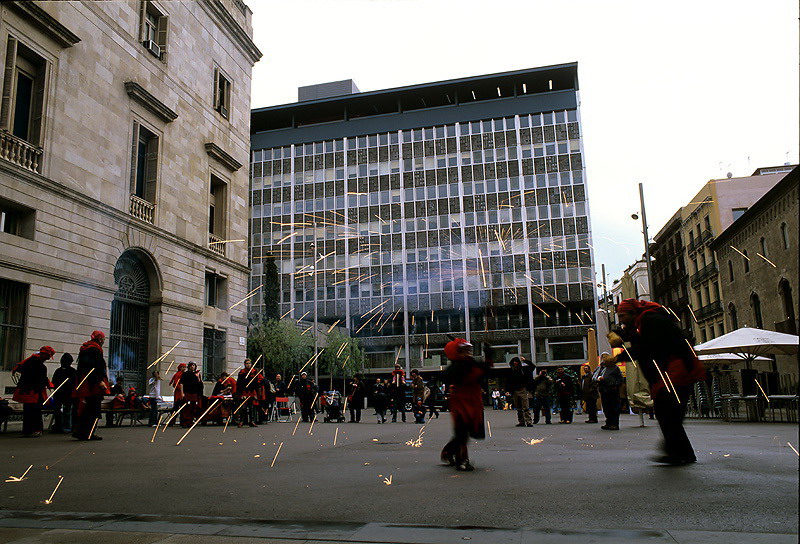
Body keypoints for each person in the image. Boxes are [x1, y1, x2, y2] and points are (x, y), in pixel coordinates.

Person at [615, 298, 706, 465]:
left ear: (633, 313)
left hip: (675, 370)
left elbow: (645, 348)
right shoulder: (646, 321)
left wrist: (618, 356)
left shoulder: (651, 321)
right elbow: (640, 340)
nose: (621, 319)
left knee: (667, 411)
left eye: (622, 315)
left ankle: (678, 452)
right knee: (670, 413)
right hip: (673, 370)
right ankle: (682, 452)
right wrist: (622, 336)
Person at [440, 339, 492, 472]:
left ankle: (449, 452)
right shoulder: (456, 367)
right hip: (460, 401)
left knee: (468, 430)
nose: (468, 353)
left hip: (473, 400)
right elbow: (451, 376)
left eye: (468, 350)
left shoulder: (470, 363)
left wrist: (489, 356)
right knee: (462, 431)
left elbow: (485, 370)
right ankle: (461, 458)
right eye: (463, 351)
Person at [73, 330, 110, 441]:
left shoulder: (85, 349)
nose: (103, 341)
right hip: (93, 385)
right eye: (103, 339)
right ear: (99, 339)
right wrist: (100, 381)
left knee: (84, 408)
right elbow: (96, 368)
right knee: (93, 409)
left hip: (84, 383)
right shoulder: (95, 350)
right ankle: (89, 433)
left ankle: (80, 431)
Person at [12, 346, 55, 437]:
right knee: (35, 411)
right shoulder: (38, 365)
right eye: (48, 357)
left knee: (28, 410)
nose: (47, 359)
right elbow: (41, 378)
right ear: (44, 354)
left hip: (28, 390)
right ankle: (36, 429)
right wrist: (49, 384)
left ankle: (27, 431)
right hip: (34, 391)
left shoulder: (30, 361)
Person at [51, 353, 77, 434]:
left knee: (65, 411)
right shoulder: (70, 371)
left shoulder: (62, 371)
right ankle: (61, 426)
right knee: (62, 411)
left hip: (65, 394)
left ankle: (65, 427)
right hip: (62, 394)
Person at [596, 353, 623, 430]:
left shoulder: (615, 368)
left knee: (614, 408)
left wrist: (614, 386)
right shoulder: (604, 369)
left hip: (612, 391)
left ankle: (614, 424)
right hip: (604, 390)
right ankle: (609, 422)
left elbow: (620, 379)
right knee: (606, 408)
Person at [506, 356, 534, 427]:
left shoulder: (524, 369)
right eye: (513, 362)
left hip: (523, 390)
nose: (515, 363)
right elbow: (508, 382)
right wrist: (508, 390)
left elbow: (532, 366)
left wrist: (525, 361)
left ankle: (528, 421)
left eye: (516, 362)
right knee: (518, 408)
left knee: (525, 407)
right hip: (515, 391)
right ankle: (521, 421)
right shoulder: (511, 371)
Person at [236, 359, 263, 427]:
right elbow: (239, 383)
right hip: (244, 391)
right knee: (243, 407)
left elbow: (257, 383)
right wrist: (240, 393)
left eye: (249, 363)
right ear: (244, 364)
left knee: (251, 407)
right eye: (247, 363)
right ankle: (241, 421)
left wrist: (257, 392)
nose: (248, 365)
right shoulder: (242, 372)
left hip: (251, 391)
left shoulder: (254, 372)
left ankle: (251, 421)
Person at [179, 362, 203, 428]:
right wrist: (182, 393)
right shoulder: (185, 374)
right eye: (191, 366)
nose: (193, 367)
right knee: (186, 408)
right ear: (189, 367)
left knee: (193, 408)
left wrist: (198, 378)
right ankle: (185, 422)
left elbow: (200, 384)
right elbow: (181, 383)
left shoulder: (196, 375)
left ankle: (190, 422)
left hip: (194, 393)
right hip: (187, 392)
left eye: (194, 366)